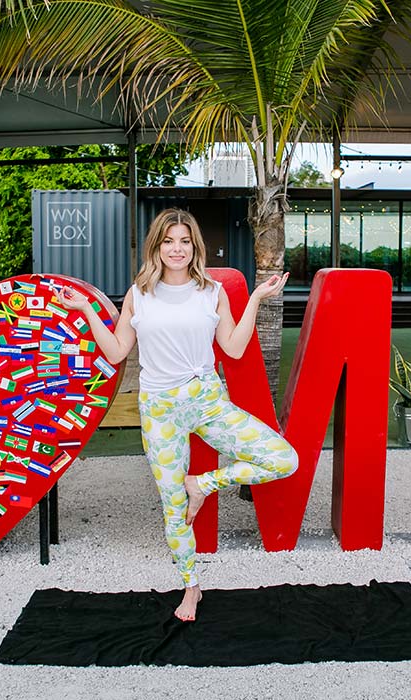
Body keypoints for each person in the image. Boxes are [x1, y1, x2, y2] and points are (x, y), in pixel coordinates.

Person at [57, 208, 299, 622]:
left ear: (194, 247)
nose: (177, 248)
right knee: (173, 509)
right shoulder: (139, 293)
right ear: (157, 245)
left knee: (284, 459)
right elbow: (116, 351)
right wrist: (85, 309)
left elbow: (235, 348)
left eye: (185, 241)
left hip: (206, 399)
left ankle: (201, 484)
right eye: (169, 240)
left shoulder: (211, 292)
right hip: (160, 410)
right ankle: (191, 586)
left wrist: (257, 298)